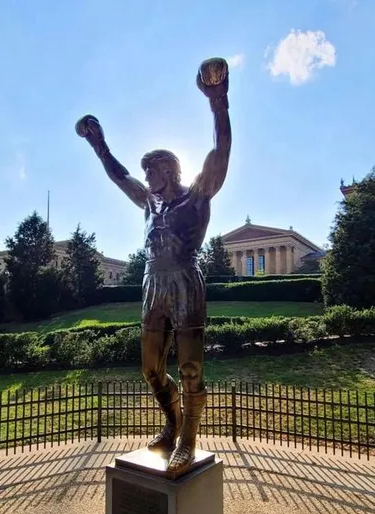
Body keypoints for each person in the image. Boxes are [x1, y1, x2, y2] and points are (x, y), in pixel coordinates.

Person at [75, 57, 232, 474]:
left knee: (191, 367)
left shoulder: (197, 195)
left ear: (169, 170)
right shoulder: (149, 202)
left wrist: (218, 101)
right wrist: (99, 145)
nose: (146, 177)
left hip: (185, 280)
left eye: (152, 171)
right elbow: (119, 176)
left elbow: (220, 152)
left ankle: (188, 439)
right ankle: (173, 422)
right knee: (150, 369)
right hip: (152, 282)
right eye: (145, 171)